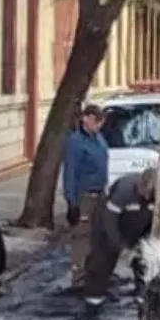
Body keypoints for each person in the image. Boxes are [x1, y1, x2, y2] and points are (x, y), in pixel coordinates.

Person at [82, 166, 157, 306]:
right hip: (110, 220)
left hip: (139, 221)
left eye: (150, 194)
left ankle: (142, 296)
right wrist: (121, 246)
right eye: (144, 193)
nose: (147, 197)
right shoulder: (124, 190)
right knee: (103, 258)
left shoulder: (159, 195)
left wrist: (139, 246)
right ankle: (93, 300)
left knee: (144, 258)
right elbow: (109, 221)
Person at [63, 104, 109, 289]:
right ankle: (78, 275)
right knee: (82, 235)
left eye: (101, 122)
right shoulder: (76, 142)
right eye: (97, 121)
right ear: (86, 119)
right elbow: (70, 173)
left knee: (98, 235)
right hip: (85, 196)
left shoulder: (98, 138)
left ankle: (93, 271)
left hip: (99, 194)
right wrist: (72, 203)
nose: (99, 125)